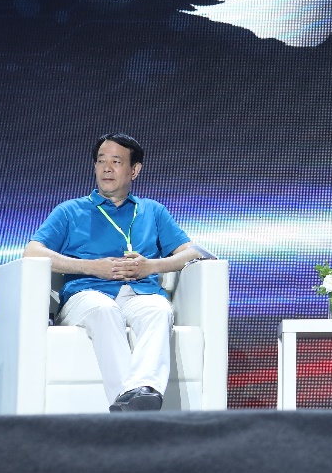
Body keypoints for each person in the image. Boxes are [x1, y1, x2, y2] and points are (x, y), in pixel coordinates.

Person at [24, 133, 203, 412]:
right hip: (87, 295)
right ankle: (131, 402)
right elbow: (33, 252)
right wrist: (90, 267)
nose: (106, 168)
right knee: (104, 310)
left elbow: (193, 252)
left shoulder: (152, 211)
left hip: (140, 293)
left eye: (116, 162)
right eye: (101, 161)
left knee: (159, 310)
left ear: (134, 170)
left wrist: (151, 266)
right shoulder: (71, 211)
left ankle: (142, 392)